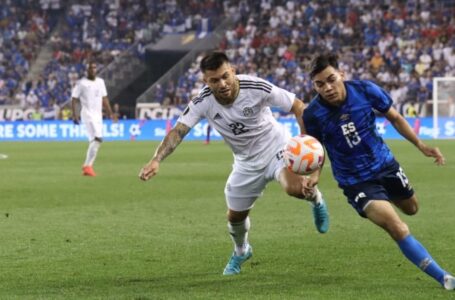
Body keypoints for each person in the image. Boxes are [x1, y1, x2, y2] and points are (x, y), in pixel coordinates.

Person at [139, 51, 329, 275]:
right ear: (205, 81)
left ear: (233, 71)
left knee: (294, 189)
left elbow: (298, 106)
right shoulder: (202, 101)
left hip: (277, 147)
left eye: (225, 76)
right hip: (245, 162)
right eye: (214, 80)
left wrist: (303, 140)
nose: (222, 83)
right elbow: (178, 131)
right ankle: (241, 251)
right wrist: (156, 159)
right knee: (235, 217)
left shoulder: (256, 87)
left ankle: (317, 200)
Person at [302, 53, 454, 290]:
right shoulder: (313, 114)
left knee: (412, 208)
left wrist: (421, 145)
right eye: (320, 84)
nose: (328, 88)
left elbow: (394, 117)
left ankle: (383, 198)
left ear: (342, 74)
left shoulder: (365, 90)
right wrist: (315, 174)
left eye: (331, 79)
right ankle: (444, 278)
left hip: (385, 165)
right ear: (314, 85)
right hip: (355, 181)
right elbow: (315, 147)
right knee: (398, 227)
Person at [71, 61, 115, 177]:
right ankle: (87, 166)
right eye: (91, 68)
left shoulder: (100, 82)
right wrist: (75, 115)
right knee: (97, 138)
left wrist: (111, 113)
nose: (93, 70)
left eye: (95, 68)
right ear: (87, 70)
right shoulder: (82, 83)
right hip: (87, 114)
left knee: (97, 140)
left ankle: (87, 166)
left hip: (98, 115)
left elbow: (104, 98)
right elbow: (74, 99)